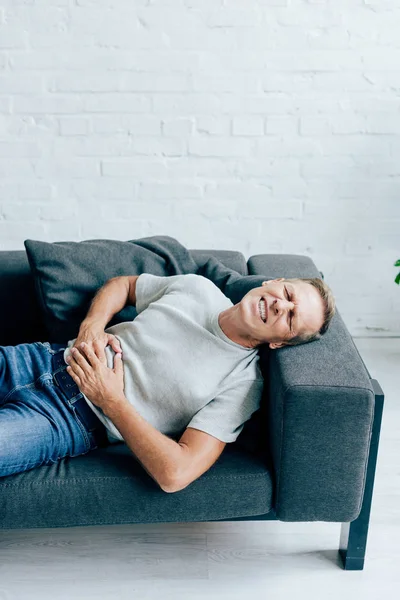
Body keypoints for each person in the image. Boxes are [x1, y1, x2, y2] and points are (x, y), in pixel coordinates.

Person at [0, 272, 335, 491]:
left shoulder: (244, 385)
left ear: (280, 343)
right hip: (39, 358)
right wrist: (92, 327)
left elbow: (176, 473)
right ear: (272, 283)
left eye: (291, 317)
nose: (281, 306)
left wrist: (112, 401)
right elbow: (125, 286)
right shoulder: (197, 288)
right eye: (287, 294)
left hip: (65, 421)